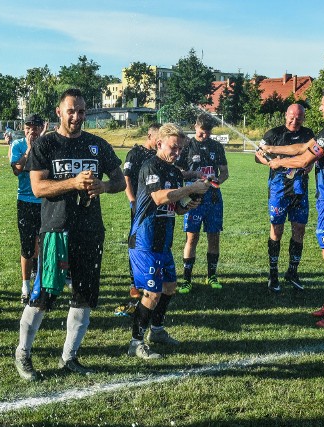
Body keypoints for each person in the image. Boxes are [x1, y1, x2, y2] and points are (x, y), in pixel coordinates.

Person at [14, 88, 126, 381]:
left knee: (83, 296)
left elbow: (119, 179)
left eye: (82, 111)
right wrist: (73, 182)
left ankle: (70, 357)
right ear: (59, 112)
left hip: (89, 231)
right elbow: (39, 188)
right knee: (42, 296)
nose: (77, 117)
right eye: (71, 111)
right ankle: (23, 354)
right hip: (56, 230)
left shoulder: (97, 145)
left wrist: (103, 187)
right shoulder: (45, 145)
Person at [264, 87, 324, 327]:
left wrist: (279, 163)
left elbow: (305, 159)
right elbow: (302, 147)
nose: (321, 107)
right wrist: (273, 149)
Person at [128, 123, 209, 359]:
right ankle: (135, 342)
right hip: (145, 241)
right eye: (174, 147)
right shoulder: (151, 165)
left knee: (169, 288)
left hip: (163, 242)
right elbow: (159, 197)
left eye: (180, 149)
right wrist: (191, 187)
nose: (177, 153)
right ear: (159, 143)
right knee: (152, 293)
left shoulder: (173, 171)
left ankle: (157, 330)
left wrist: (188, 205)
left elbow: (174, 206)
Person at [255, 104, 315, 292]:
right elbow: (258, 156)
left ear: (303, 118)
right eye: (291, 117)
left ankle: (292, 271)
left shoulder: (308, 134)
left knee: (299, 230)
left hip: (300, 189)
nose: (294, 121)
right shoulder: (273, 133)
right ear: (285, 115)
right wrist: (269, 163)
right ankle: (273, 274)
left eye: (298, 118)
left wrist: (309, 166)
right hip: (278, 189)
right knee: (277, 230)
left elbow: (311, 155)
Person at [175, 114, 229, 293]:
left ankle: (211, 275)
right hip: (193, 197)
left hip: (213, 198)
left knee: (214, 236)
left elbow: (224, 173)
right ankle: (187, 279)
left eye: (207, 133)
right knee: (192, 237)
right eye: (201, 132)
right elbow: (179, 173)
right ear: (195, 126)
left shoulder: (217, 147)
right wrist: (196, 176)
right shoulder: (187, 146)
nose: (204, 135)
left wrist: (216, 181)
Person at [121, 122, 161, 303]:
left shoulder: (158, 156)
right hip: (139, 205)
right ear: (150, 136)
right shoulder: (135, 153)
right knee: (136, 243)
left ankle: (151, 278)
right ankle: (134, 283)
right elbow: (126, 179)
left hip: (157, 205)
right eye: (158, 138)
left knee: (154, 241)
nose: (160, 141)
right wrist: (132, 201)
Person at [10, 113, 44, 304]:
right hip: (25, 201)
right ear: (24, 128)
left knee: (43, 245)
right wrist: (29, 148)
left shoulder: (46, 144)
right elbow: (16, 169)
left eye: (35, 127)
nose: (32, 130)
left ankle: (38, 286)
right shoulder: (18, 145)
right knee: (27, 246)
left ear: (40, 128)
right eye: (28, 127)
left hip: (44, 201)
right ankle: (25, 286)